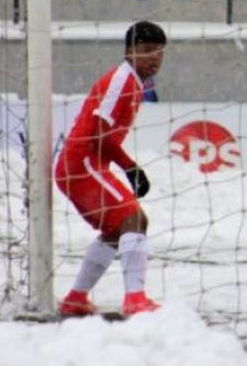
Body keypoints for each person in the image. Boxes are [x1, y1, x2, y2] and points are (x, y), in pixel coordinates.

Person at [55, 21, 166, 317]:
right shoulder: (122, 81)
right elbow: (99, 134)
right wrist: (130, 168)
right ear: (129, 51)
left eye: (159, 52)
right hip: (81, 164)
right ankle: (135, 300)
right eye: (147, 50)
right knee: (134, 219)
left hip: (87, 165)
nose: (154, 57)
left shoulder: (134, 81)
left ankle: (76, 298)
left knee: (119, 228)